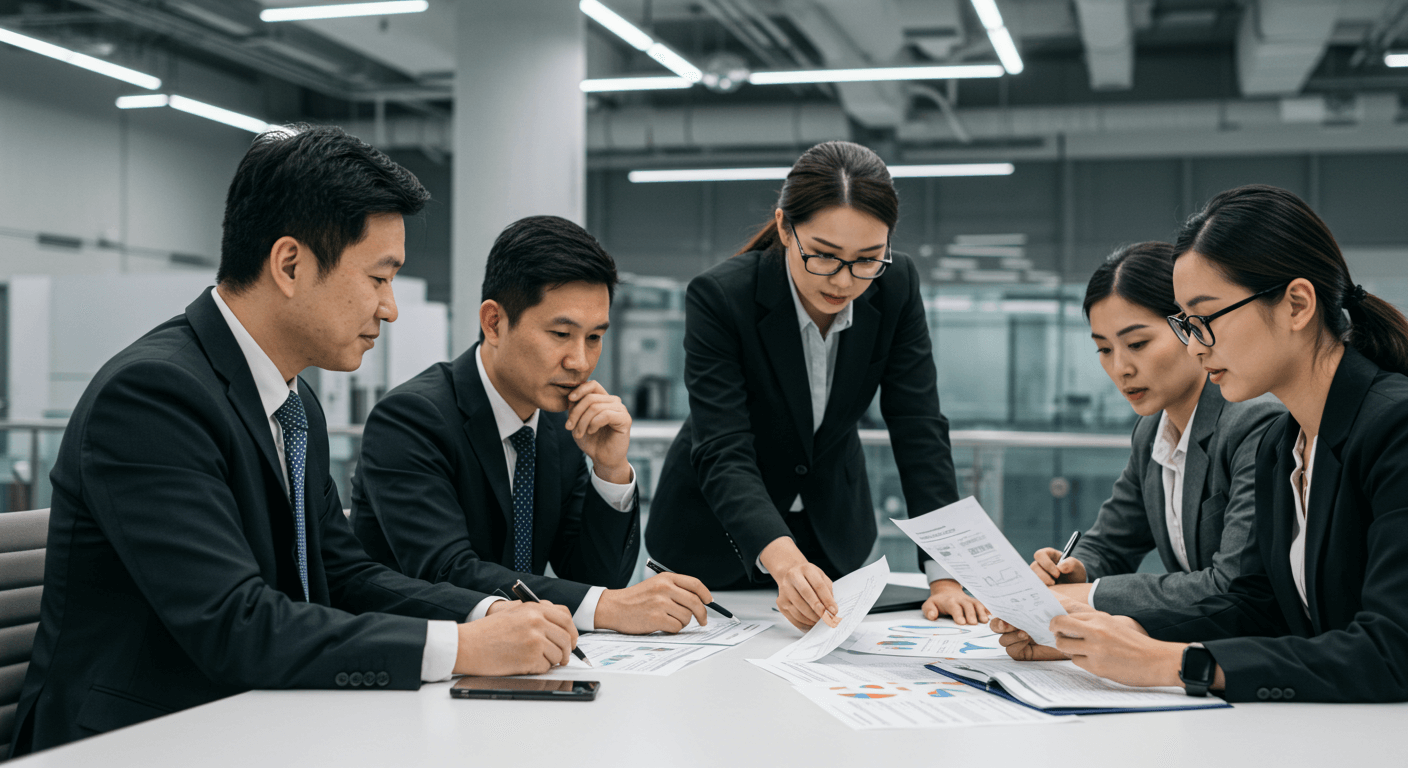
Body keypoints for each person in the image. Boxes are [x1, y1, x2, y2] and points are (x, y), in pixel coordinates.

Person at [8, 126, 578, 757]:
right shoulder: (153, 395)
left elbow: (343, 569)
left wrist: (481, 614)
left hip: (261, 714)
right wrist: (461, 650)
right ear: (289, 264)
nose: (390, 309)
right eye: (379, 278)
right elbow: (235, 623)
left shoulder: (290, 397)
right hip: (140, 739)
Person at [996, 185, 1408, 703]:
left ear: (1297, 304)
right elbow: (1262, 608)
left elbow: (1393, 650)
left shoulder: (1395, 426)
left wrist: (1174, 663)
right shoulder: (1287, 444)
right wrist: (1100, 640)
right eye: (1186, 325)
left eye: (1206, 319)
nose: (1195, 344)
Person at [644, 140, 987, 631]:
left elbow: (919, 428)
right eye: (824, 256)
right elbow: (723, 448)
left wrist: (945, 575)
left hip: (831, 536)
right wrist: (783, 560)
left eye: (868, 259)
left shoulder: (896, 286)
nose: (844, 282)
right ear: (785, 227)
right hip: (716, 537)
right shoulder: (722, 297)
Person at [351, 215, 714, 635]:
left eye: (594, 337)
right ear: (494, 322)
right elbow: (446, 572)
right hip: (415, 662)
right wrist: (606, 606)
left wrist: (610, 470)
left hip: (521, 655)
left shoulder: (559, 427)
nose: (580, 361)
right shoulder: (412, 418)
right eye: (561, 333)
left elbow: (598, 579)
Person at [1028, 242, 1282, 614]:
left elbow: (1233, 585)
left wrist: (1088, 597)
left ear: (1190, 328)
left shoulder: (1252, 423)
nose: (1121, 368)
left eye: (1137, 343)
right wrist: (1075, 571)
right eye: (1104, 349)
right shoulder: (1152, 432)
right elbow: (1111, 544)